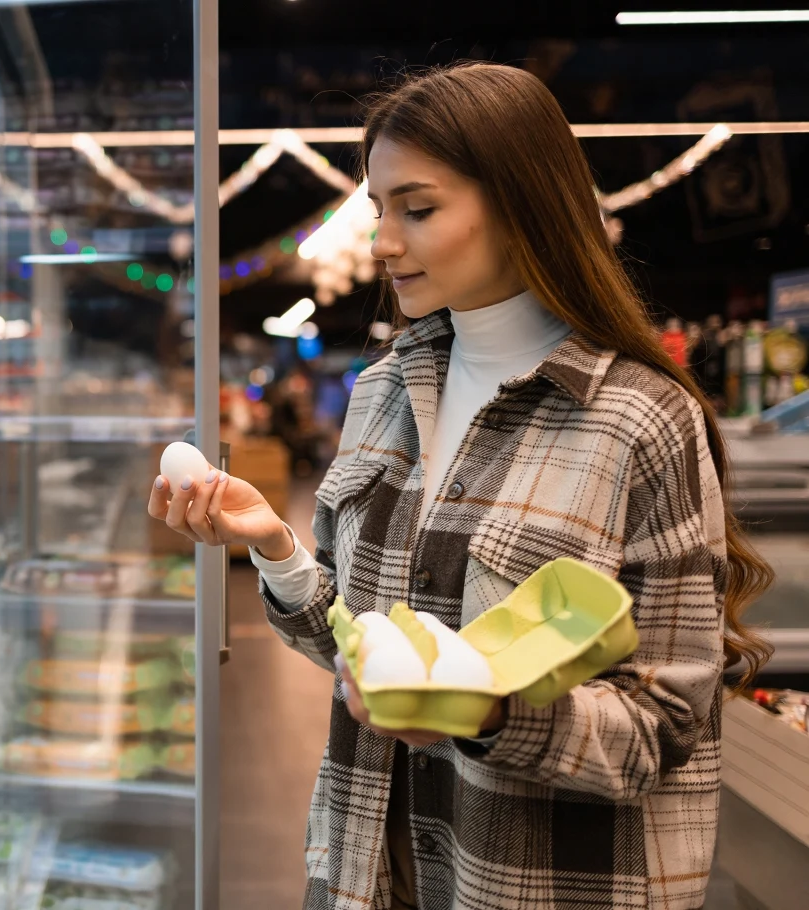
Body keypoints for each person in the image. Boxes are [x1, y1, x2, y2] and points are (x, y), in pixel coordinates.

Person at [147, 63, 772, 910]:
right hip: (370, 868)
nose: (381, 242)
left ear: (523, 206)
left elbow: (661, 730)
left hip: (536, 884)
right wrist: (277, 548)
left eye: (419, 208)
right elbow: (367, 651)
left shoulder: (638, 420)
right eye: (378, 209)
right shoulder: (383, 393)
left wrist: (483, 714)